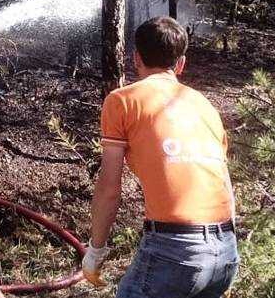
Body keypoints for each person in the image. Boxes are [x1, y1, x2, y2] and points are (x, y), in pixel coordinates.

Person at [82, 17, 238, 298]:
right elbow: (225, 185)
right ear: (180, 64)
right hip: (225, 252)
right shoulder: (206, 106)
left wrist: (95, 251)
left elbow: (109, 189)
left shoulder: (122, 101)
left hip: (175, 251)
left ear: (136, 58)